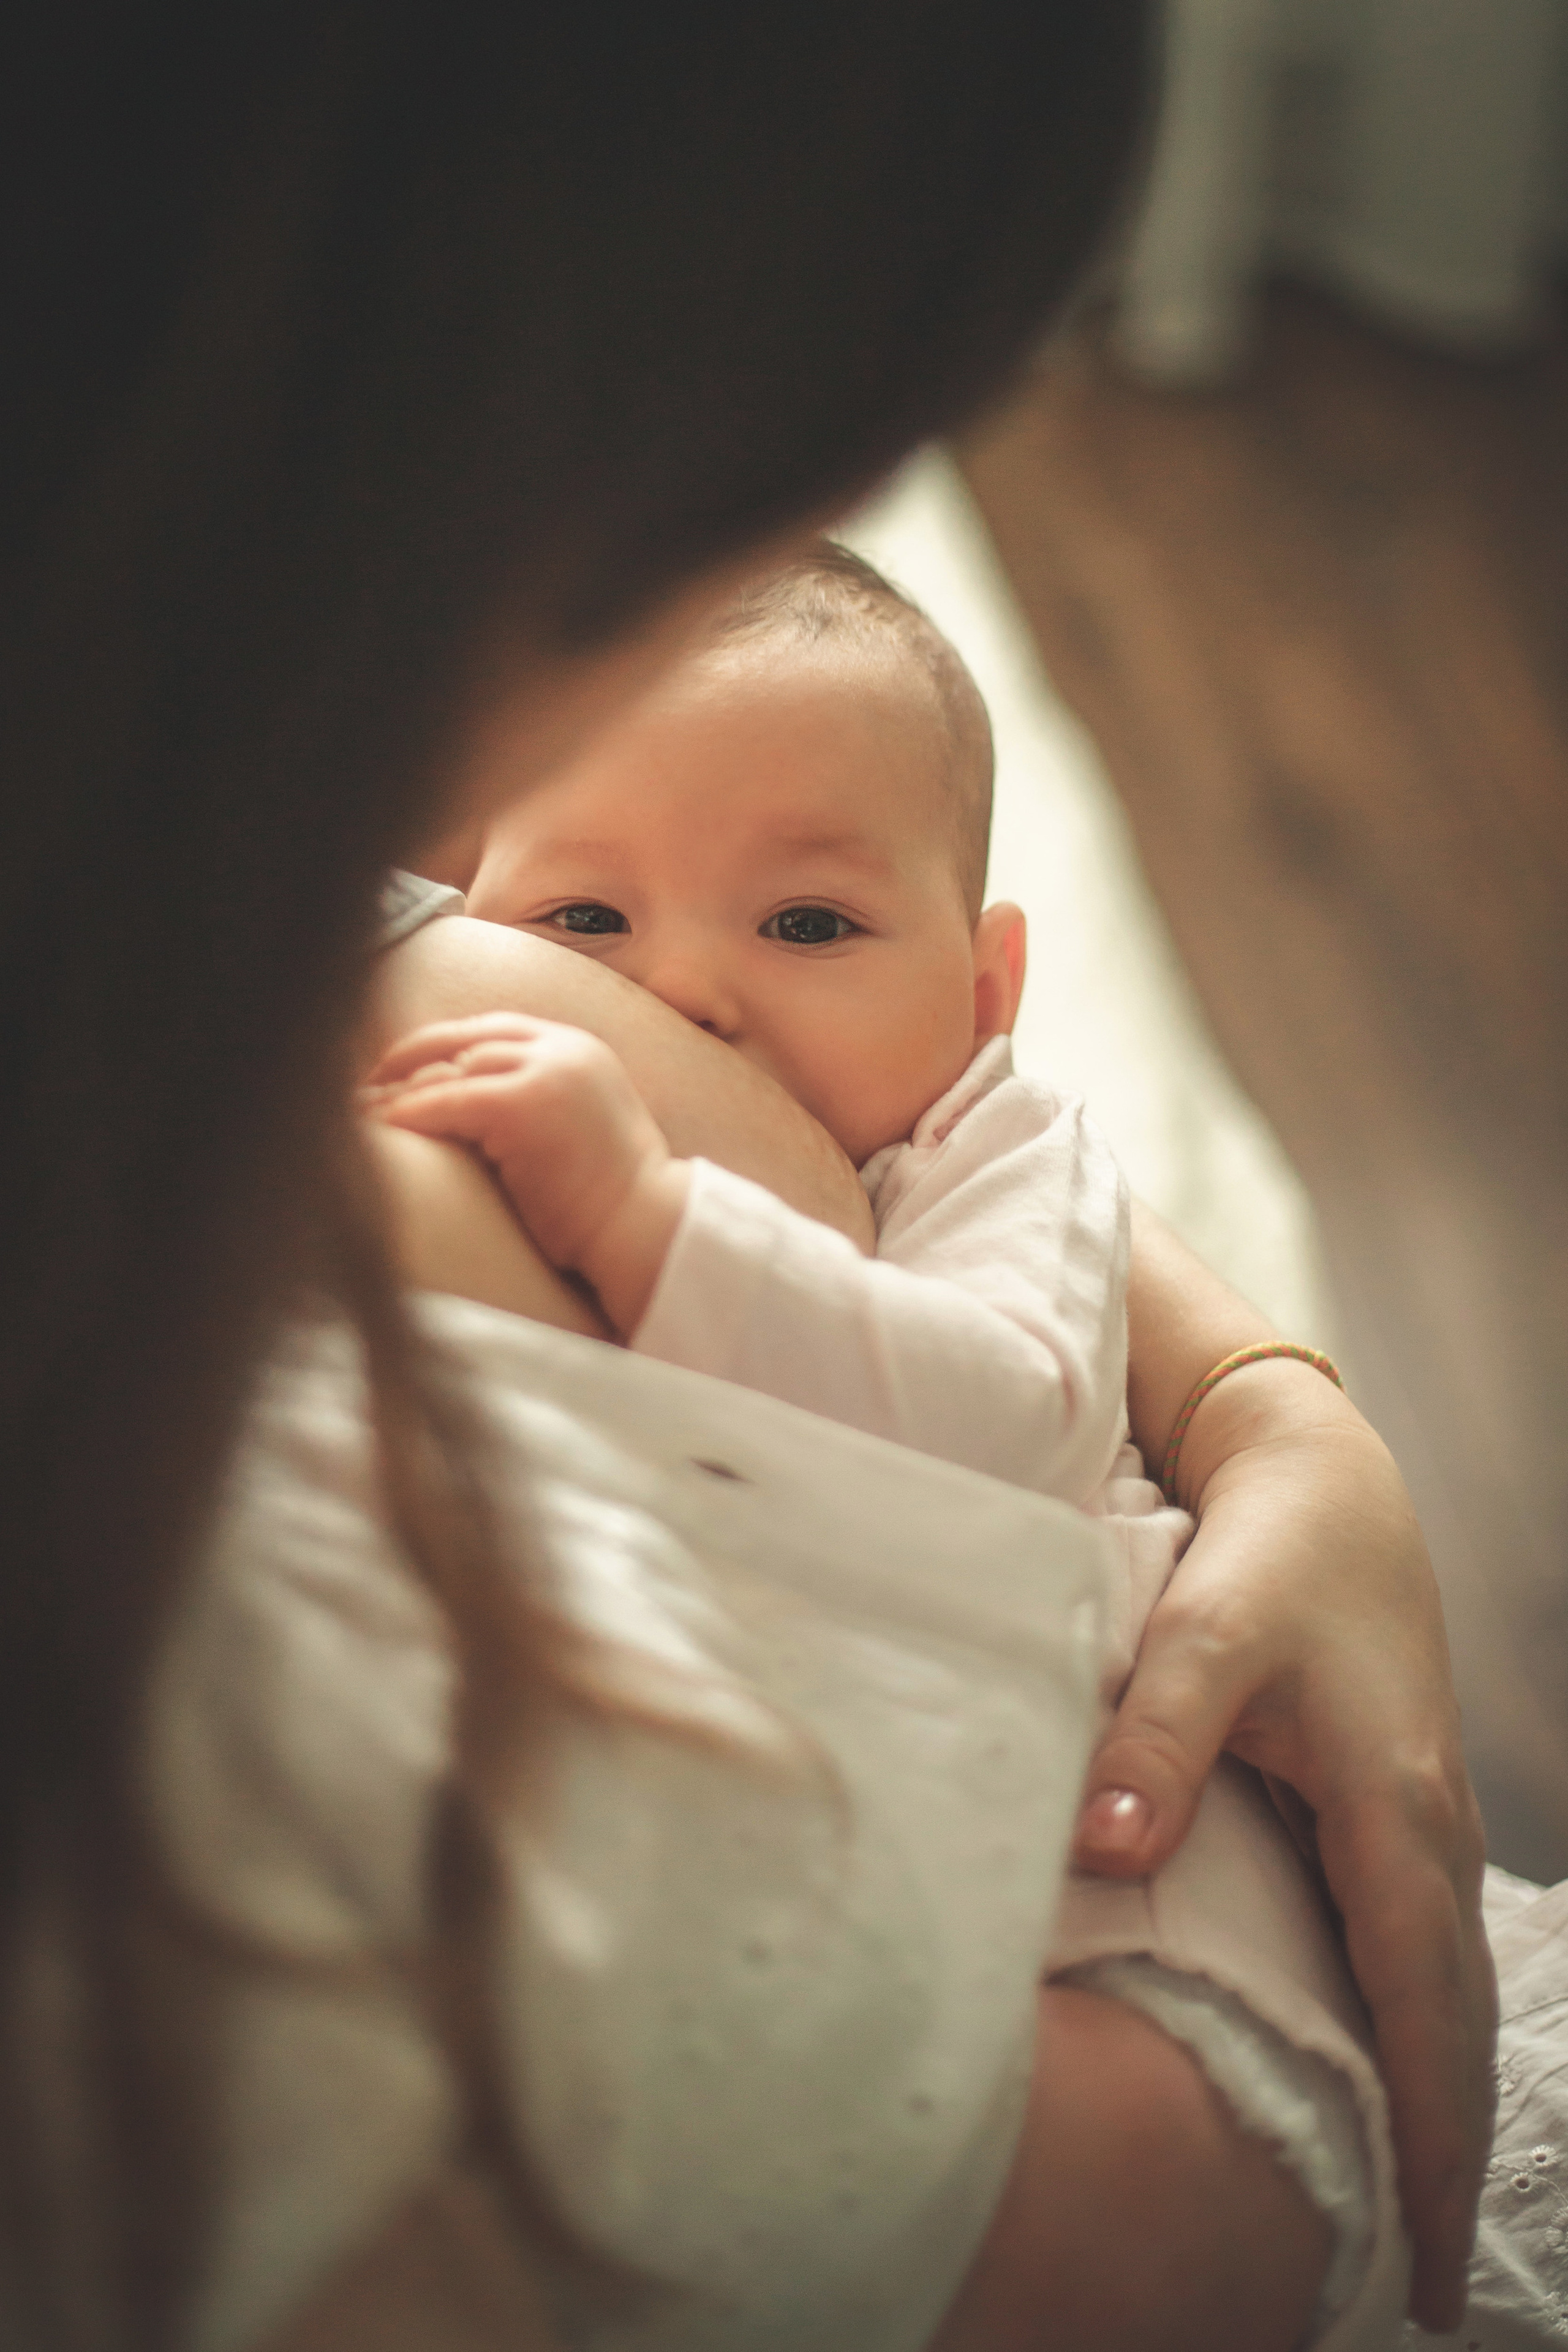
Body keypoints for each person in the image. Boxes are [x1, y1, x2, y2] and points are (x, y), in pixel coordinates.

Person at [1, 9, 1493, 2349]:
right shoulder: (188, 1748)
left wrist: (1274, 1412)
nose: (677, 986)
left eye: (807, 921)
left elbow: (1015, 1215)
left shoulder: (203, 795)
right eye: (627, 533)